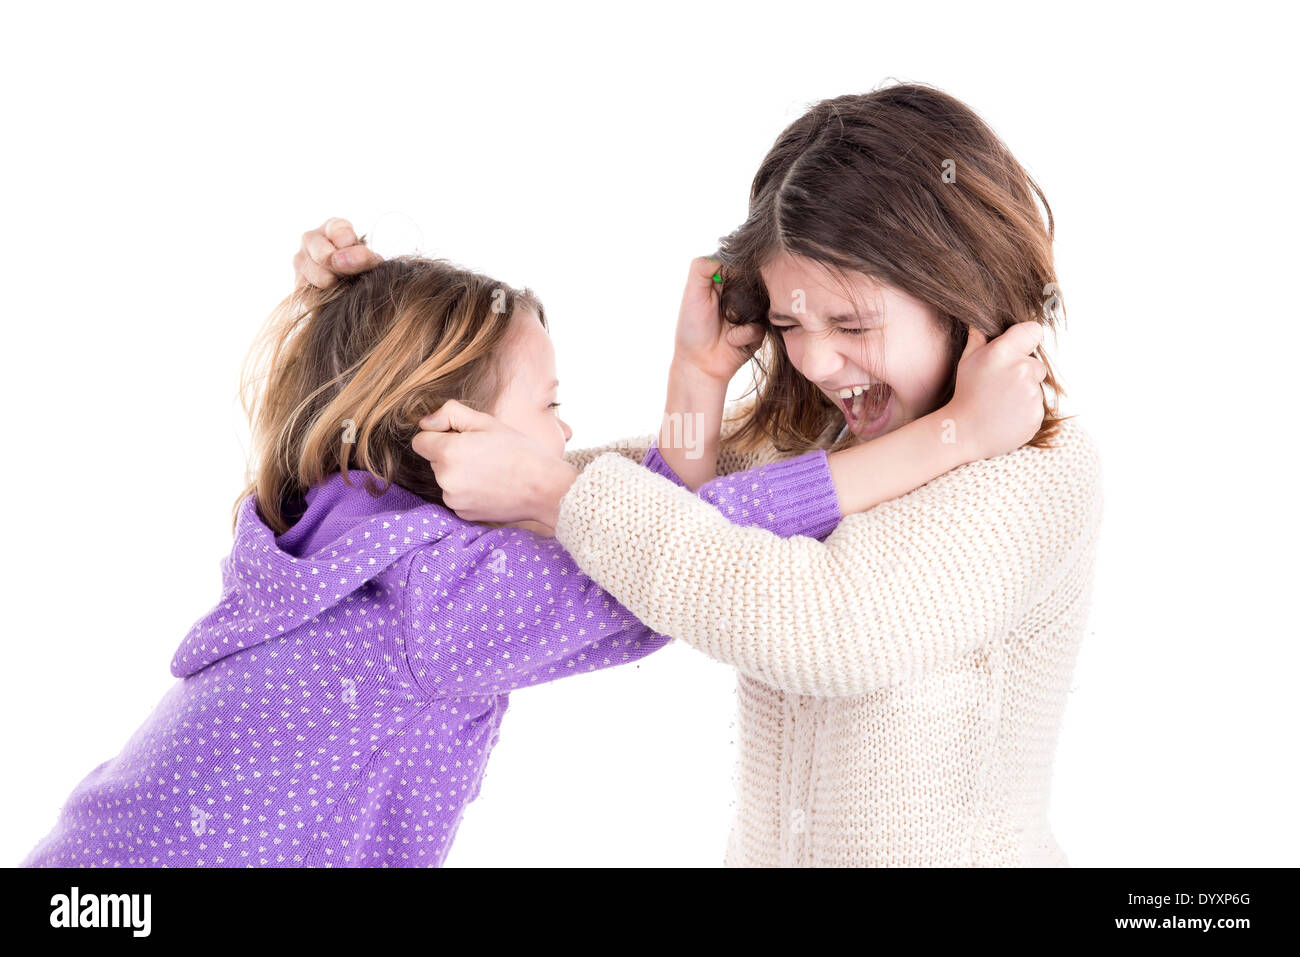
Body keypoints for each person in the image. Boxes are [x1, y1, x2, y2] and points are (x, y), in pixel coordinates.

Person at [23, 225, 1036, 865]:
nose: (562, 440)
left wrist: (695, 378)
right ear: (442, 431)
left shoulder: (329, 524)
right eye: (550, 408)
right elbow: (690, 547)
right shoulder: (442, 600)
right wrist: (961, 434)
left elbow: (641, 534)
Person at [311, 83, 1103, 866]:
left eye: (853, 324)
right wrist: (384, 354)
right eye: (791, 324)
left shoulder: (1029, 474)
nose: (817, 360)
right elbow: (657, 493)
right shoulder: (815, 436)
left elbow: (826, 627)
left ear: (959, 291)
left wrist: (553, 497)